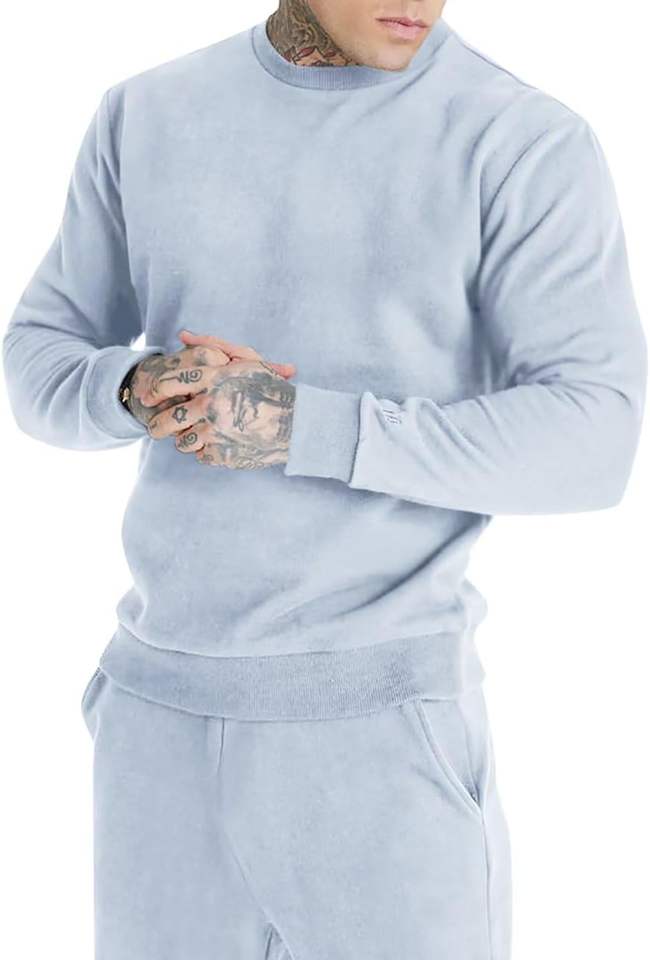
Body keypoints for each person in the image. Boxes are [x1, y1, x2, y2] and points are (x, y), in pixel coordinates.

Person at [3, 2, 646, 958]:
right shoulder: (146, 112)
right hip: (154, 726)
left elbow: (595, 435)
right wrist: (135, 387)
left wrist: (303, 427)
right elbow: (39, 354)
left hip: (380, 735)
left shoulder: (519, 140)